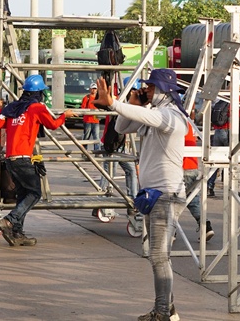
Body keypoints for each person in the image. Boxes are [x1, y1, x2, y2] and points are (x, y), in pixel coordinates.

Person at [94, 68, 187, 321]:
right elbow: (122, 127)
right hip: (154, 195)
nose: (146, 90)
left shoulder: (172, 116)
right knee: (159, 255)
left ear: (164, 90)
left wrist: (114, 102)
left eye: (151, 87)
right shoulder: (154, 114)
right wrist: (132, 102)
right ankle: (168, 310)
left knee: (158, 255)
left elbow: (143, 117)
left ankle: (162, 313)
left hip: (166, 195)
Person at [0, 75, 75, 247]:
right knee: (35, 193)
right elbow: (53, 124)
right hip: (23, 159)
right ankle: (10, 220)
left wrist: (0, 110)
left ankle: (17, 234)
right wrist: (64, 115)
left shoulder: (13, 108)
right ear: (38, 93)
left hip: (10, 159)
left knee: (23, 195)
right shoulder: (37, 107)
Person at [182, 121, 214, 242]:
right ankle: (206, 226)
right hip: (192, 165)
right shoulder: (188, 122)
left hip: (180, 165)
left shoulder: (173, 121)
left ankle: (171, 231)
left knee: (172, 200)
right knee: (193, 200)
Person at [206, 98, 230, 197]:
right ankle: (229, 188)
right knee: (231, 160)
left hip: (217, 132)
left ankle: (209, 186)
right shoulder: (233, 103)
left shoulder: (220, 102)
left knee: (216, 161)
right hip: (226, 131)